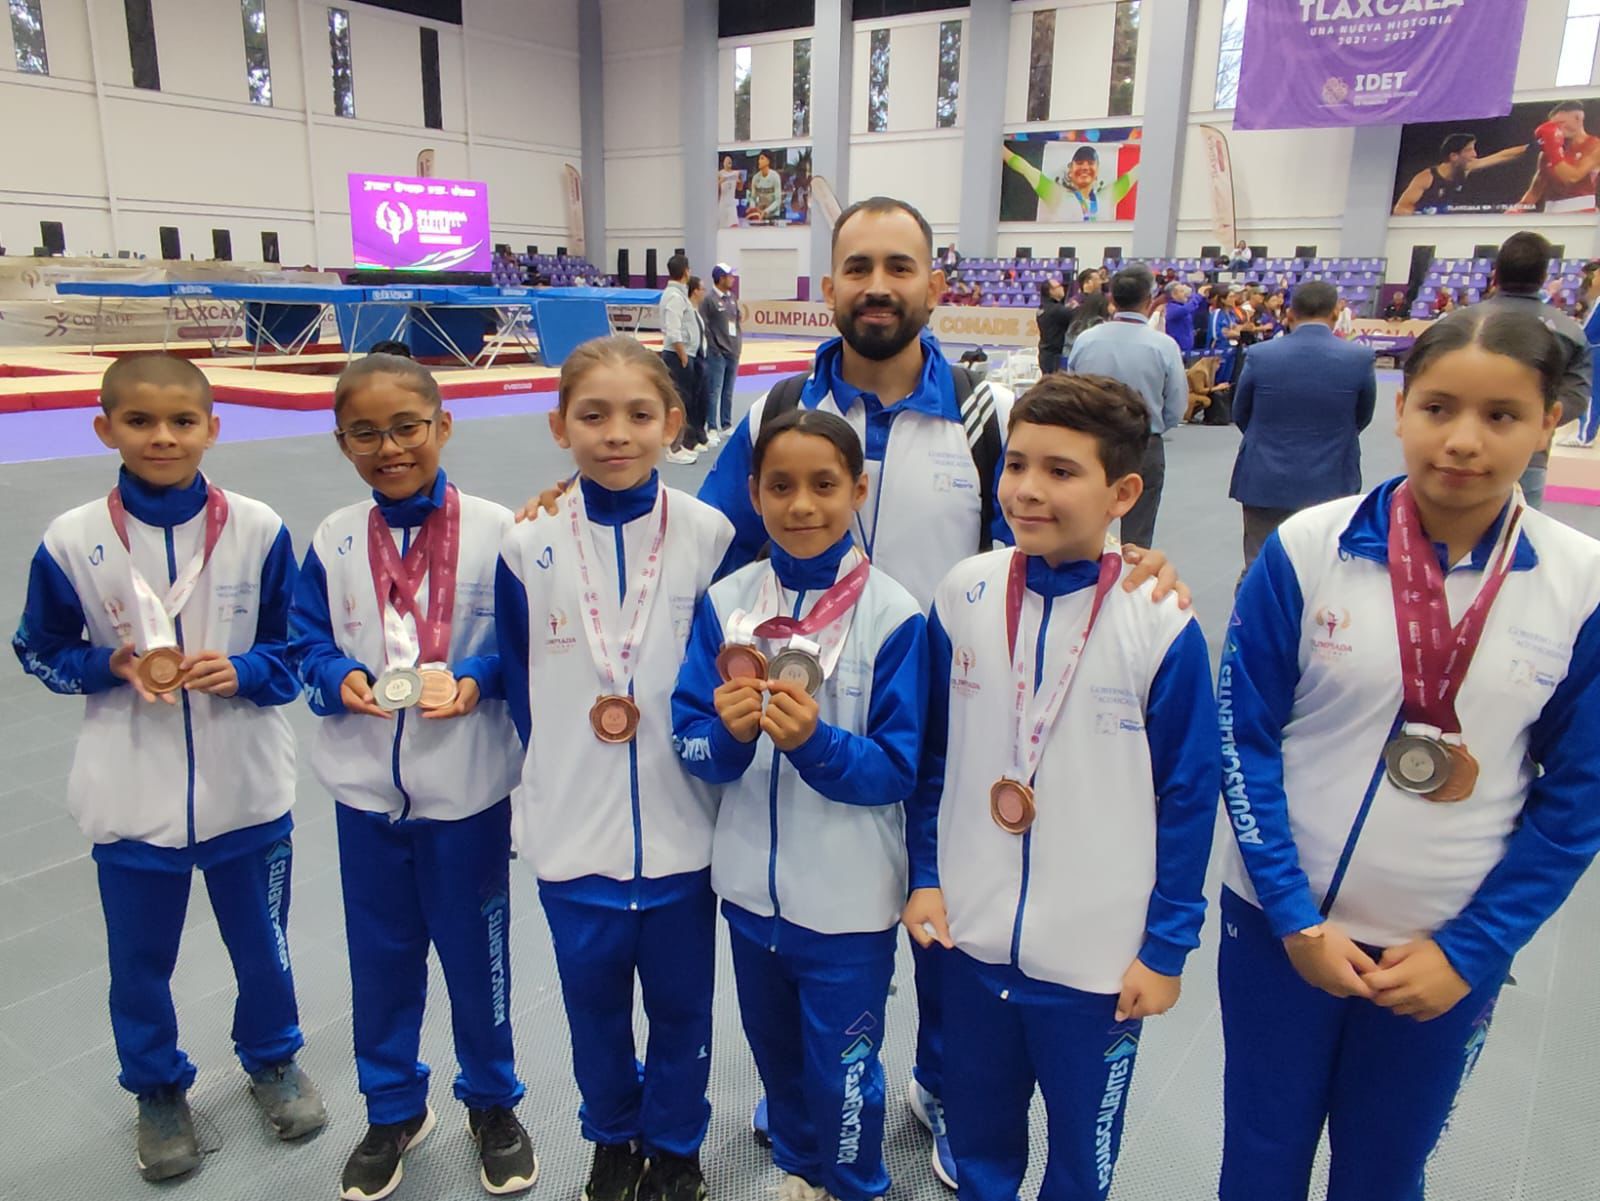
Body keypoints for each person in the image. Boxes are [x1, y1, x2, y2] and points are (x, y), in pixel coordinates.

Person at [689, 196, 1187, 1192]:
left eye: (899, 267)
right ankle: (821, 1092)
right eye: (858, 267)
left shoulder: (985, 412)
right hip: (817, 720)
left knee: (951, 927)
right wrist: (572, 502)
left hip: (967, 718)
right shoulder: (775, 412)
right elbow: (701, 539)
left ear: (934, 283)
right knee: (835, 931)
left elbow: (1045, 531)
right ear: (831, 284)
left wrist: (1134, 558)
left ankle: (948, 1086)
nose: (877, 287)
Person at [1217, 307, 1600, 1201]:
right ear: (1399, 408)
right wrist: (1293, 915)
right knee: (1261, 1158)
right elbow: (1243, 735)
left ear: (1550, 421)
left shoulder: (1581, 586)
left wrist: (1472, 948)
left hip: (1443, 945)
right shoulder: (1307, 548)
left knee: (1386, 1172)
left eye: (1501, 415)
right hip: (1279, 926)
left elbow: (1579, 797)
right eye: (1437, 407)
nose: (1463, 440)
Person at [11, 353, 325, 1183]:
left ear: (212, 428)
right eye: (140, 421)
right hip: (129, 791)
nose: (162, 436)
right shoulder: (72, 538)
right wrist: (107, 665)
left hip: (247, 788)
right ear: (104, 427)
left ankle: (273, 1058)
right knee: (138, 960)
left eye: (182, 421)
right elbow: (38, 648)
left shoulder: (257, 527)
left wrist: (246, 671)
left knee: (263, 947)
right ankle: (156, 1087)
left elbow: (298, 649)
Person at [907, 373, 1215, 1201]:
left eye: (1061, 471)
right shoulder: (964, 593)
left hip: (1098, 961)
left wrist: (1166, 946)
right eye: (1016, 464)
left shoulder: (1160, 621)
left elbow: (1190, 796)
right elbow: (933, 759)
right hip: (971, 937)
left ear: (1123, 493)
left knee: (1082, 1156)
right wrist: (926, 874)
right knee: (978, 1141)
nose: (1028, 489)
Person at [287, 354, 535, 1201]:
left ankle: (493, 1102)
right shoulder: (333, 537)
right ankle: (393, 1107)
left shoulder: (501, 530)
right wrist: (334, 676)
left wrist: (477, 676)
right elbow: (303, 638)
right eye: (366, 432)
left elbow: (523, 645)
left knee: (478, 957)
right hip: (365, 793)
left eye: (406, 427)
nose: (389, 447)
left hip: (468, 793)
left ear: (442, 426)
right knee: (381, 959)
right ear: (342, 442)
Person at [496, 336, 735, 1201]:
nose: (616, 434)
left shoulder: (709, 536)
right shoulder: (526, 542)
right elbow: (520, 683)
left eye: (639, 414)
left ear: (672, 422)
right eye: (592, 415)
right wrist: (556, 776)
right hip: (573, 832)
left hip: (682, 829)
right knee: (591, 1008)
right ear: (559, 425)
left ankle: (674, 1144)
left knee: (683, 1009)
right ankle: (612, 1135)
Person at [672, 409, 928, 1201]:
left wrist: (817, 744)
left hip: (848, 902)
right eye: (780, 486)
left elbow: (899, 768)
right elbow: (687, 738)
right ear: (754, 492)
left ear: (859, 490)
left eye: (824, 485)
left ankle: (854, 1183)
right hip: (750, 892)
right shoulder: (725, 603)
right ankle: (799, 1165)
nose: (802, 505)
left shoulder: (895, 614)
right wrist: (726, 738)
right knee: (777, 1057)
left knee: (844, 1072)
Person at [1227, 280, 1377, 580]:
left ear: (1290, 313)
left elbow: (1241, 413)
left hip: (1264, 476)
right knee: (1322, 570)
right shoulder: (1359, 358)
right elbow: (1362, 417)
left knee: (1259, 567)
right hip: (1332, 479)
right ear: (1336, 314)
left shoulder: (1260, 355)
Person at [1442, 231, 1592, 508]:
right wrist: (1526, 420)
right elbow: (1576, 398)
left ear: (1495, 274)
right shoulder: (1570, 333)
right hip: (1527, 454)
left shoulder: (1454, 325)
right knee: (1518, 529)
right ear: (1544, 276)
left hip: (1455, 449)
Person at [1067, 263, 1187, 549]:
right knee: (1138, 535)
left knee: (1085, 524)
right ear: (1148, 300)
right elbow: (1176, 405)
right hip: (1143, 441)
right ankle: (1132, 576)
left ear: (1112, 298)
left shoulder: (1086, 340)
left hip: (1091, 440)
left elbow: (1070, 391)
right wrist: (1155, 424)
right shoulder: (1164, 346)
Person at [1392, 133, 1529, 215]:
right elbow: (1400, 209)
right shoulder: (1426, 178)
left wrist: (1531, 147)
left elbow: (1502, 156)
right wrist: (1424, 215)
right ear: (1454, 156)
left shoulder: (1467, 167)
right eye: (1469, 150)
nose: (1475, 154)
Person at [659, 254, 705, 464]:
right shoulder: (675, 297)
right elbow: (673, 329)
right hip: (678, 355)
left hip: (685, 353)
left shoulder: (679, 295)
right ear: (686, 271)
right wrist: (683, 354)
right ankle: (673, 447)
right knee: (679, 401)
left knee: (686, 401)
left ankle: (680, 443)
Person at [1515, 100, 1600, 214]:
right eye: (1554, 125)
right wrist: (1514, 211)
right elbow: (1535, 191)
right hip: (1551, 214)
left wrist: (1553, 150)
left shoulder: (1595, 146)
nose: (1557, 128)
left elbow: (1572, 178)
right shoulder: (1547, 152)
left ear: (1578, 118)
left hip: (1582, 213)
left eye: (1561, 123)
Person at [1001, 145, 1102, 222]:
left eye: (1090, 163)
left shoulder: (1104, 200)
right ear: (1070, 170)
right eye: (1079, 163)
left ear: (1097, 170)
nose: (1085, 168)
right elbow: (1025, 168)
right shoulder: (1056, 194)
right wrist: (1000, 148)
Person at [701, 264, 743, 443]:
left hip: (733, 351)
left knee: (728, 391)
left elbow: (737, 323)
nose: (733, 279)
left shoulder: (732, 298)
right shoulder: (709, 300)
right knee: (714, 391)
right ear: (720, 278)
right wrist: (714, 348)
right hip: (717, 353)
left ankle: (726, 424)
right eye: (729, 276)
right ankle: (711, 426)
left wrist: (738, 346)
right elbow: (705, 326)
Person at [687, 275, 714, 446]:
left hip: (702, 356)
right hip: (694, 356)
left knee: (703, 398)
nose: (704, 292)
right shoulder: (688, 311)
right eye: (702, 289)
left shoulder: (697, 310)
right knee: (694, 399)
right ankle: (693, 436)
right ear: (695, 291)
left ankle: (700, 433)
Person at [1062, 268, 1109, 359]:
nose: (1101, 282)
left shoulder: (1103, 300)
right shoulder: (1075, 303)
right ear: (1088, 282)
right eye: (1098, 279)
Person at [1163, 281, 1207, 356]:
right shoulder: (1170, 308)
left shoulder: (1182, 306)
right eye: (1182, 291)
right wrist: (1199, 295)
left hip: (1188, 349)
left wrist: (1203, 296)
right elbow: (1185, 309)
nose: (1185, 294)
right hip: (1177, 350)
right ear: (1174, 294)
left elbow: (1196, 308)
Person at [1036, 277, 1071, 374]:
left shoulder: (1043, 308)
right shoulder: (1056, 310)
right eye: (1059, 286)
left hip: (1045, 353)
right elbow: (1076, 315)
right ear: (1051, 291)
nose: (1062, 288)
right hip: (1054, 356)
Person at [746, 152, 786, 224]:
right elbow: (753, 198)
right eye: (759, 159)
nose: (759, 161)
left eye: (762, 158)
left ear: (768, 161)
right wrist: (753, 208)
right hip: (760, 214)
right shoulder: (755, 178)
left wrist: (766, 211)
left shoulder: (775, 176)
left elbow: (778, 200)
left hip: (773, 215)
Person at [718, 155, 741, 228]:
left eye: (730, 160)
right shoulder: (719, 174)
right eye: (726, 159)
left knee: (734, 226)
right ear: (723, 163)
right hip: (722, 204)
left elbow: (740, 188)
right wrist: (720, 182)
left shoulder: (736, 173)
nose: (728, 160)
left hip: (732, 204)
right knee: (722, 226)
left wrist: (740, 182)